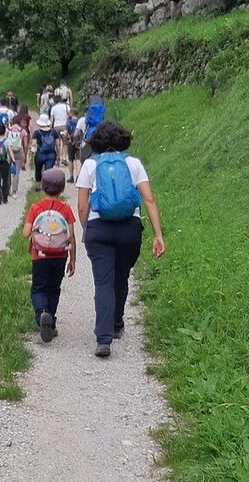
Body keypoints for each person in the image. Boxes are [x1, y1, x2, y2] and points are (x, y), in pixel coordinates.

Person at [76, 121, 165, 358]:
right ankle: (116, 323)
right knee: (121, 276)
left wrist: (88, 229)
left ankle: (103, 339)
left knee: (103, 282)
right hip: (129, 229)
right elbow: (149, 200)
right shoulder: (133, 163)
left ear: (96, 141)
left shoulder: (89, 165)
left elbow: (82, 205)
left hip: (99, 229)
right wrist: (158, 235)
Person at [23, 168, 76, 342]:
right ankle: (51, 323)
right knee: (54, 289)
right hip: (60, 256)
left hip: (40, 256)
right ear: (62, 189)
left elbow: (25, 233)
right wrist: (73, 259)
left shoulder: (35, 208)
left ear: (42, 187)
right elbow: (71, 236)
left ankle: (41, 315)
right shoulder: (66, 209)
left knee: (38, 288)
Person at [32, 114, 59, 185]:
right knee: (48, 172)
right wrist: (58, 155)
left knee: (38, 170)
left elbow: (33, 144)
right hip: (51, 154)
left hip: (40, 154)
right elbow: (57, 144)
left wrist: (32, 154)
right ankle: (47, 186)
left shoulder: (37, 132)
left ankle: (38, 186)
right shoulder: (53, 132)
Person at [8, 115, 28, 198]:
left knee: (8, 172)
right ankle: (14, 191)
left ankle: (7, 189)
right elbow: (25, 145)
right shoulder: (23, 131)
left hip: (9, 152)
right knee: (16, 173)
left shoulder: (8, 130)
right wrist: (25, 156)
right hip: (19, 152)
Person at [50, 95, 71, 165]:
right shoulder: (66, 106)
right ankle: (64, 157)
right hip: (64, 126)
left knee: (56, 143)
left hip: (56, 126)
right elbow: (69, 116)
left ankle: (57, 157)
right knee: (65, 142)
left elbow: (52, 119)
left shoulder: (53, 108)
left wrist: (49, 127)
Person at [65, 108, 80, 183]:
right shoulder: (80, 121)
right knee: (78, 159)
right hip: (79, 142)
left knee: (70, 159)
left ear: (71, 113)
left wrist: (65, 137)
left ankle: (71, 177)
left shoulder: (68, 122)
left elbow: (65, 133)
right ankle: (78, 176)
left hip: (71, 141)